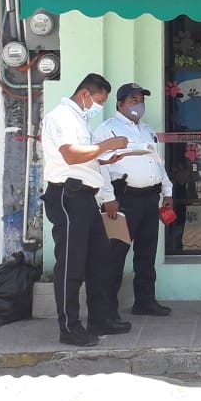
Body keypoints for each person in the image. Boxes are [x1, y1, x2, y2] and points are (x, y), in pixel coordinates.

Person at [40, 73, 131, 346]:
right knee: (71, 264)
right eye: (99, 100)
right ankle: (69, 327)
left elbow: (83, 157)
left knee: (100, 260)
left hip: (86, 198)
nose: (99, 105)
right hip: (68, 197)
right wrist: (107, 145)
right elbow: (70, 154)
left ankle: (100, 319)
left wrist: (105, 159)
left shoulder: (79, 118)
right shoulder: (62, 116)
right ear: (85, 94)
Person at [96, 82, 175, 318]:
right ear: (119, 104)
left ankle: (145, 302)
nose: (138, 105)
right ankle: (107, 311)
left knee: (146, 254)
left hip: (150, 199)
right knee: (115, 256)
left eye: (141, 100)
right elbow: (100, 167)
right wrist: (108, 198)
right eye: (133, 100)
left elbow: (158, 164)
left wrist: (167, 192)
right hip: (122, 201)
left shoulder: (148, 131)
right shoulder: (106, 131)